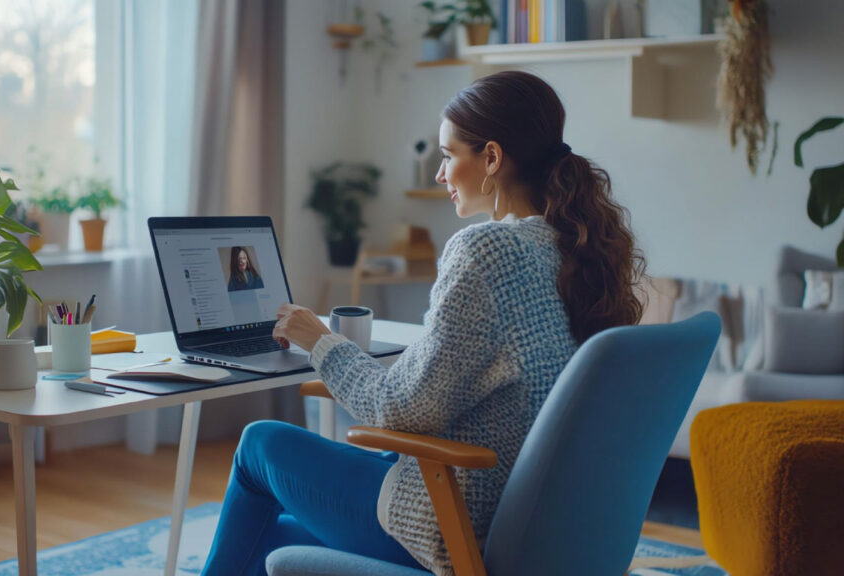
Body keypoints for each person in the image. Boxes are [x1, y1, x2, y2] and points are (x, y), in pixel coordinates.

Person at [201, 71, 646, 576]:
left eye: (449, 154)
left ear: (493, 158)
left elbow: (399, 411)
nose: (440, 174)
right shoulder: (575, 249)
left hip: (457, 522)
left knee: (260, 443)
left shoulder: (487, 251)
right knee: (268, 541)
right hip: (535, 525)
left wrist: (319, 342)